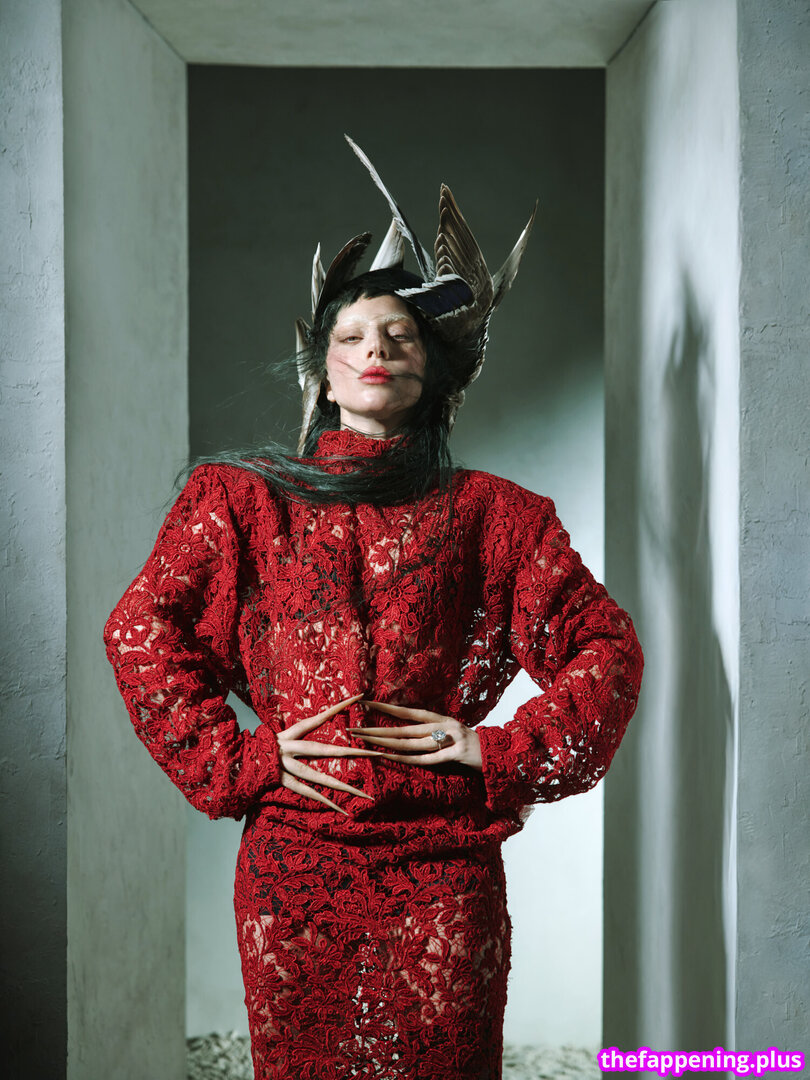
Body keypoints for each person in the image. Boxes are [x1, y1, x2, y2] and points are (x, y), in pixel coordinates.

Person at [104, 138, 643, 1080]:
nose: (375, 352)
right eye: (351, 337)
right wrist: (242, 758)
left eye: (399, 336)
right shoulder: (241, 500)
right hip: (294, 862)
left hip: (445, 866)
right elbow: (139, 629)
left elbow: (604, 647)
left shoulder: (498, 517)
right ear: (322, 368)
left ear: (437, 367)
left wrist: (497, 749)